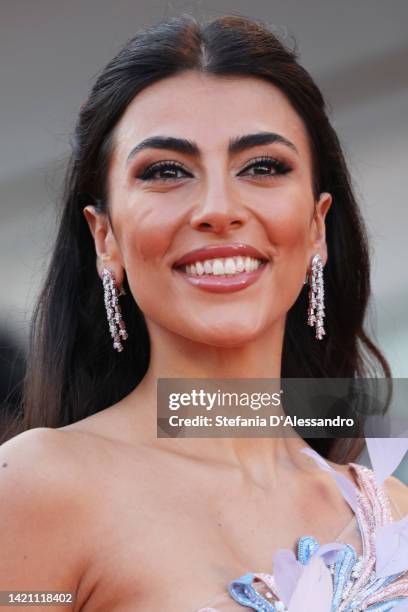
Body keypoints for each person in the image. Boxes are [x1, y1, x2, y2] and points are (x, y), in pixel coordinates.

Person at [1, 14, 407, 611]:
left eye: (263, 167)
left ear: (318, 225)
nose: (219, 209)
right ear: (104, 238)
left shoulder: (389, 511)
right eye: (166, 171)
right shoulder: (36, 488)